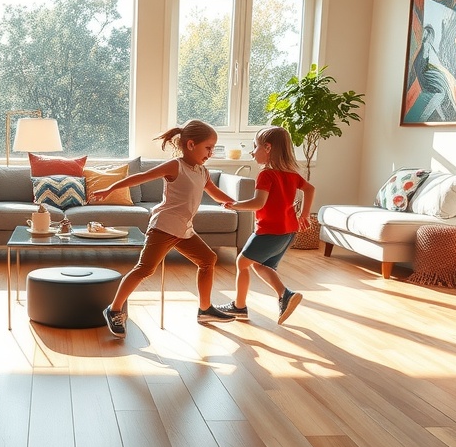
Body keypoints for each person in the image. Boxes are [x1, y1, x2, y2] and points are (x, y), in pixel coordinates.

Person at [87, 119, 237, 338]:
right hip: (164, 227)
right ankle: (114, 309)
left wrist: (237, 203)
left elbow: (214, 192)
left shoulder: (202, 171)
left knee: (208, 259)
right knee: (145, 269)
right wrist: (110, 188)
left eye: (213, 148)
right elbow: (141, 177)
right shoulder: (175, 166)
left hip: (185, 230)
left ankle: (205, 309)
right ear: (191, 145)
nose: (211, 153)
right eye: (208, 148)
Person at [216, 125, 313, 325]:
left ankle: (240, 306)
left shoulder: (266, 175)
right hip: (288, 231)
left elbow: (258, 203)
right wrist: (304, 215)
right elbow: (310, 189)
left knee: (242, 263)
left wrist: (235, 205)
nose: (252, 152)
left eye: (255, 147)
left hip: (269, 230)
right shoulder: (291, 174)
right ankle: (284, 295)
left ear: (267, 148)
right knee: (262, 265)